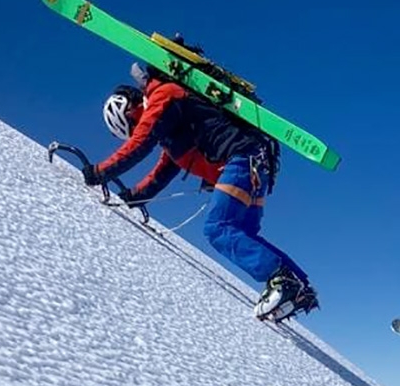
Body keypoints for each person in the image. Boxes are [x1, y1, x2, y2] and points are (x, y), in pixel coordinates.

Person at [86, 66, 317, 321]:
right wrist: (135, 195)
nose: (137, 127)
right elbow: (165, 168)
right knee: (243, 234)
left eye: (131, 125)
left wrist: (98, 172)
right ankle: (299, 288)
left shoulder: (164, 95)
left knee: (218, 228)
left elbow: (140, 144)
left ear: (129, 109)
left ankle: (282, 281)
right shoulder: (174, 130)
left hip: (241, 160)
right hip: (255, 165)